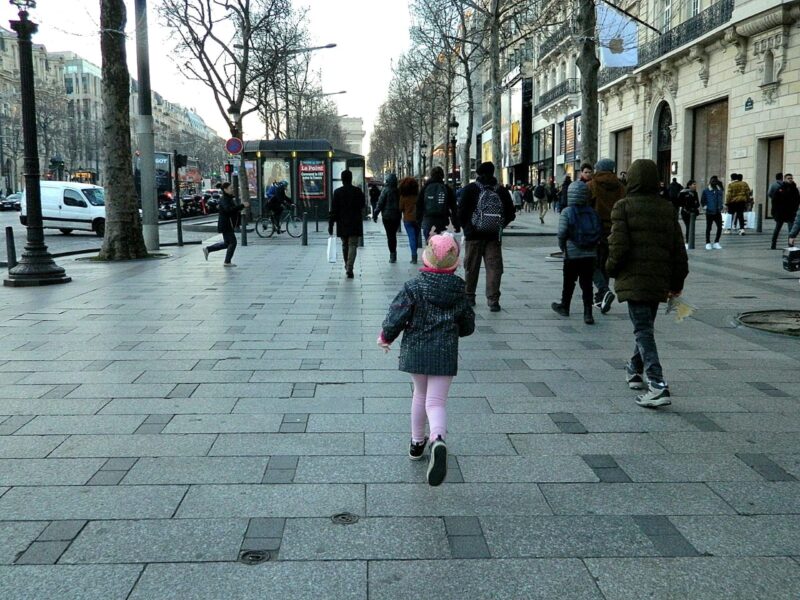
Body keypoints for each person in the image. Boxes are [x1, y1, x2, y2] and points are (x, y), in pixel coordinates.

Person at [378, 233, 475, 486]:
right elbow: (467, 326)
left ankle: (417, 443)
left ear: (426, 258)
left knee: (419, 395)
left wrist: (386, 337)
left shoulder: (414, 286)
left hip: (417, 351)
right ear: (455, 262)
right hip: (444, 353)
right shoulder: (459, 289)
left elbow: (396, 314)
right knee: (436, 402)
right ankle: (438, 438)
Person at [606, 158, 689, 408]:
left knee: (643, 330)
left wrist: (609, 268)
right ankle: (634, 369)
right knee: (644, 326)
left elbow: (618, 246)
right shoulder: (666, 208)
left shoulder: (623, 207)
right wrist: (677, 281)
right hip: (658, 280)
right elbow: (678, 250)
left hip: (634, 278)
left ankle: (657, 384)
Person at [457, 161, 516, 311]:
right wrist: (499, 226)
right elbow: (511, 213)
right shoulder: (501, 191)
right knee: (494, 268)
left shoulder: (469, 189)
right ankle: (493, 300)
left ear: (477, 174)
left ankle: (469, 296)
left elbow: (461, 213)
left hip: (473, 236)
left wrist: (468, 228)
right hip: (493, 237)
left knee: (471, 266)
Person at [551, 180, 601, 325]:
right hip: (590, 253)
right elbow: (599, 231)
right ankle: (588, 313)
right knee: (587, 284)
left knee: (569, 281)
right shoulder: (592, 212)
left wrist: (563, 247)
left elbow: (562, 233)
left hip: (572, 253)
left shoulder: (567, 211)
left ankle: (565, 306)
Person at [588, 158, 626, 314]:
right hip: (615, 230)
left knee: (591, 264)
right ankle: (600, 298)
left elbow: (586, 208)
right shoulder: (621, 187)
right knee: (605, 264)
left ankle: (603, 291)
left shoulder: (591, 185)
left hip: (595, 230)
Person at [329, 169, 366, 279]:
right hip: (354, 222)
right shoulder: (358, 191)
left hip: (342, 223)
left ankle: (347, 265)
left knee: (345, 245)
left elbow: (333, 210)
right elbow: (362, 205)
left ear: (342, 179)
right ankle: (350, 267)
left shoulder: (337, 192)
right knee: (353, 245)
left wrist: (331, 224)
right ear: (351, 179)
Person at [202, 182, 248, 267]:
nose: (232, 190)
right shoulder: (224, 199)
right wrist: (241, 206)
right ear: (225, 189)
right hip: (226, 224)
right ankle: (227, 262)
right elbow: (228, 210)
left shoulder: (228, 198)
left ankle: (208, 249)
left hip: (228, 224)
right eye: (231, 188)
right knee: (233, 242)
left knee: (227, 243)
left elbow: (232, 210)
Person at [416, 166, 459, 241]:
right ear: (442, 176)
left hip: (428, 219)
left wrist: (418, 221)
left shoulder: (425, 188)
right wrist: (456, 224)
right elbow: (453, 207)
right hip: (442, 220)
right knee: (441, 244)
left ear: (431, 175)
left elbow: (419, 205)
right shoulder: (446, 188)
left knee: (430, 244)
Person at [374, 173, 402, 263]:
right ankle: (394, 253)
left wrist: (375, 213)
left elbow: (380, 203)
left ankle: (392, 254)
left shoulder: (385, 190)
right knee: (393, 235)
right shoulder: (398, 191)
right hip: (396, 216)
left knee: (390, 236)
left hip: (387, 217)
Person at [398, 176, 421, 264]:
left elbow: (400, 208)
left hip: (408, 219)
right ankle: (416, 252)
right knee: (416, 236)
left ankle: (414, 257)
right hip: (417, 219)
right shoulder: (417, 196)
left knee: (412, 238)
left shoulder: (403, 197)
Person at [775, 174, 800, 249]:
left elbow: (797, 199)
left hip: (791, 212)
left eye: (791, 178)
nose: (791, 179)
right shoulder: (781, 188)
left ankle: (790, 245)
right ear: (785, 179)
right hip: (782, 212)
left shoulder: (794, 188)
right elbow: (775, 200)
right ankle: (773, 244)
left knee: (791, 227)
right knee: (777, 229)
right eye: (789, 178)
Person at [701, 175, 724, 250]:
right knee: (709, 228)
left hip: (718, 211)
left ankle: (716, 242)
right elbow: (703, 201)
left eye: (715, 181)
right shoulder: (706, 190)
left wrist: (721, 206)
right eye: (712, 181)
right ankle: (707, 243)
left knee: (720, 227)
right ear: (710, 181)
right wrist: (706, 207)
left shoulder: (719, 189)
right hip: (710, 212)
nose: (714, 182)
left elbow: (721, 198)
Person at [677, 180, 700, 247]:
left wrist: (695, 207)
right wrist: (686, 206)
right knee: (688, 226)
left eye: (695, 184)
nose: (695, 185)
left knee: (691, 227)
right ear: (689, 185)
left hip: (693, 213)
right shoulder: (683, 192)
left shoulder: (695, 193)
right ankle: (687, 241)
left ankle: (690, 241)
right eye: (693, 184)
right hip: (685, 212)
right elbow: (679, 202)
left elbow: (697, 203)